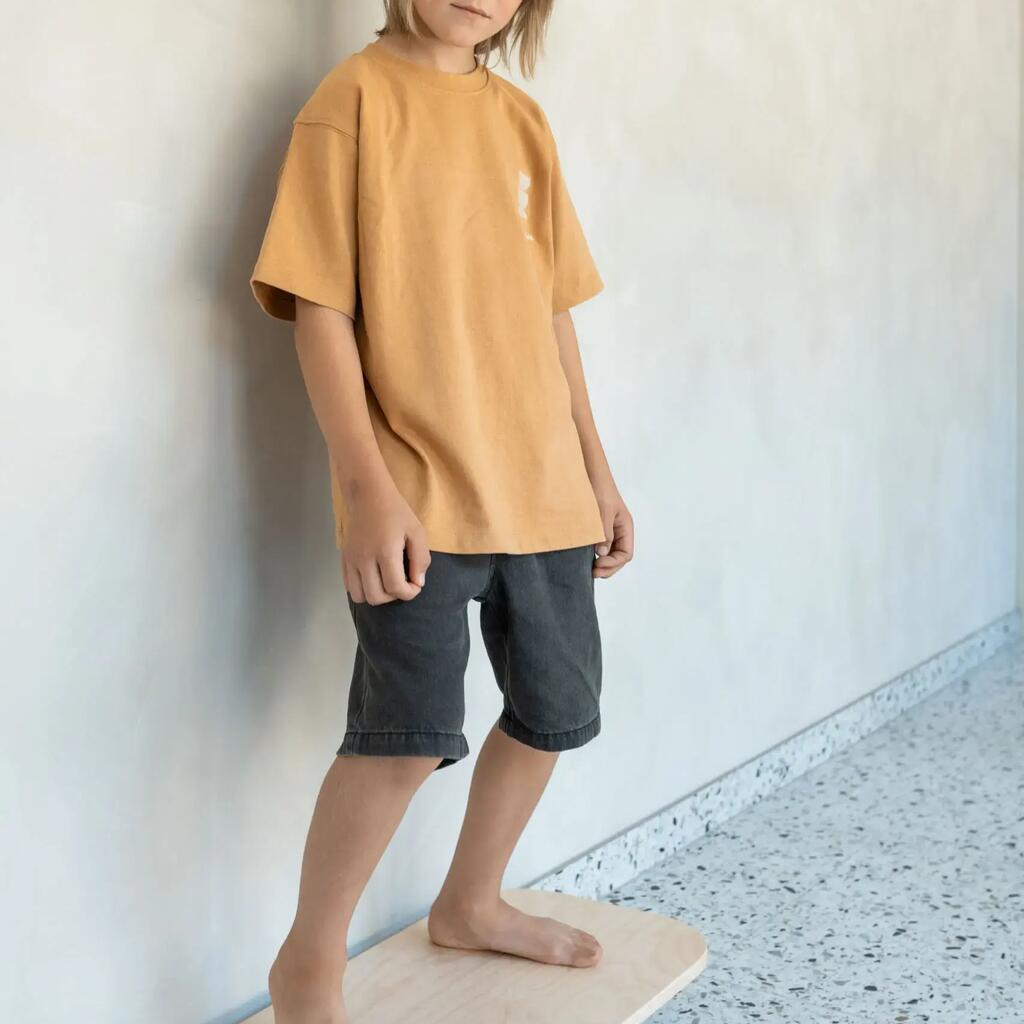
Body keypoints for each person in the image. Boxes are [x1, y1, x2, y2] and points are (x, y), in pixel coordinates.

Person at [249, 0, 634, 1019]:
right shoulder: (350, 104)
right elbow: (319, 311)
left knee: (555, 710)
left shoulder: (523, 121)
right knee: (406, 734)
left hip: (543, 487)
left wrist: (596, 471)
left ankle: (470, 900)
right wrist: (364, 488)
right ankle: (309, 960)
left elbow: (552, 312)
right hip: (413, 490)